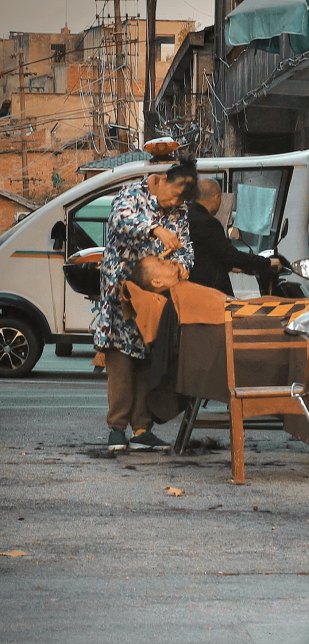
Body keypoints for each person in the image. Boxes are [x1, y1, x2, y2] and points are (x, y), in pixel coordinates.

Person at [94, 156, 197, 452]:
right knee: (121, 361)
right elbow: (121, 223)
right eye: (175, 192)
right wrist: (155, 229)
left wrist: (181, 267)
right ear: (160, 180)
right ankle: (117, 427)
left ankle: (142, 428)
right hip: (122, 294)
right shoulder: (130, 196)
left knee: (148, 361)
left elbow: (186, 250)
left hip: (156, 298)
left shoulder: (179, 212)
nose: (176, 201)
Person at [187, 178, 277, 295]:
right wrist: (268, 262)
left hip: (191, 287)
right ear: (217, 197)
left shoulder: (185, 218)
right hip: (210, 291)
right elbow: (230, 255)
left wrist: (229, 266)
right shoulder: (208, 223)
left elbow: (207, 253)